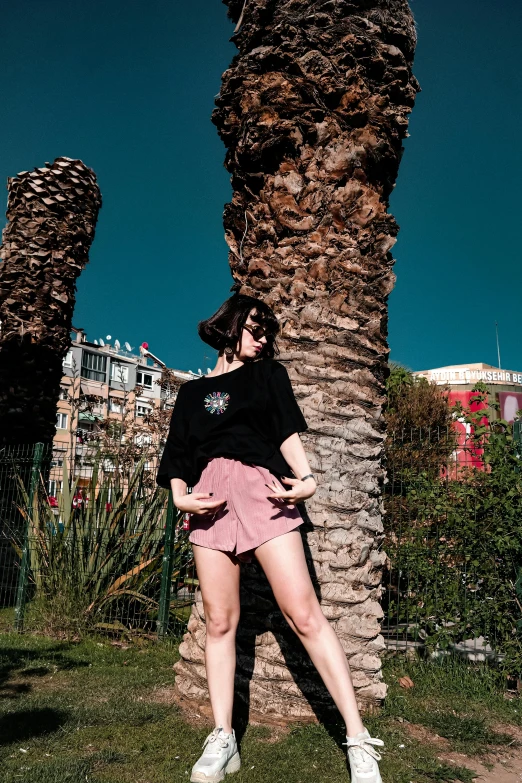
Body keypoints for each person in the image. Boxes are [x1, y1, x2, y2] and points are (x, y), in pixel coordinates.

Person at [157, 293, 384, 783]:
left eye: (268, 333)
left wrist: (307, 479)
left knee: (304, 614)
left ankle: (358, 738)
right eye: (255, 329)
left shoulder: (268, 376)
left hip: (264, 493)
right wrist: (180, 497)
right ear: (230, 326)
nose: (263, 339)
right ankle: (223, 738)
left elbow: (285, 432)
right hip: (210, 499)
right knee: (220, 622)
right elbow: (177, 455)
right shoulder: (191, 394)